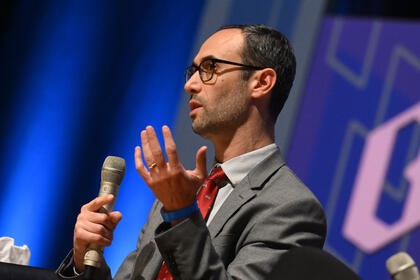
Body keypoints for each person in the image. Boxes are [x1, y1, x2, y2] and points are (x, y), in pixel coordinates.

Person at [57, 24, 327, 280]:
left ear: (262, 82)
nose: (191, 85)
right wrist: (85, 260)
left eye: (210, 68)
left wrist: (181, 214)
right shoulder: (181, 195)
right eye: (193, 71)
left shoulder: (292, 208)